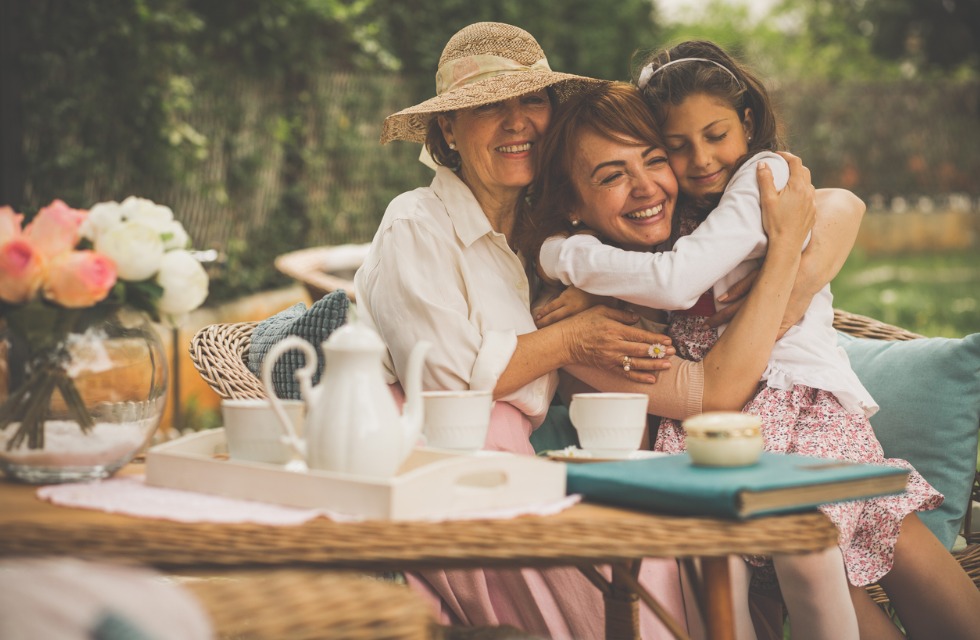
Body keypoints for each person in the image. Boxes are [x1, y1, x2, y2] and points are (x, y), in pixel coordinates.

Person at [355, 22, 855, 639]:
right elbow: (447, 382)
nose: (516, 122)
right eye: (488, 107)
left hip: (532, 467)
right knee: (661, 565)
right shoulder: (416, 222)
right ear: (448, 131)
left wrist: (799, 268)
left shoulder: (552, 242)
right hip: (448, 476)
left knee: (693, 552)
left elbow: (832, 204)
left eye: (531, 100)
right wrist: (572, 338)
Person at [528, 42, 980, 640]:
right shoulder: (671, 225)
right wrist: (593, 290)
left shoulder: (757, 185)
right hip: (721, 440)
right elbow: (667, 284)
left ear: (746, 122)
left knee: (863, 540)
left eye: (710, 136)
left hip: (795, 401)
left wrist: (792, 266)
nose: (694, 161)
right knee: (821, 570)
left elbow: (824, 210)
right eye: (676, 146)